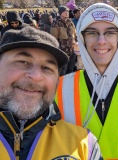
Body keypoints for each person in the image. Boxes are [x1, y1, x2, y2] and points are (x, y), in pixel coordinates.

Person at [54, 3, 118, 159]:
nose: (101, 41)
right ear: (82, 38)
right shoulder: (60, 88)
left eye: (110, 32)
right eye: (92, 32)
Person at [0, 27, 102, 159]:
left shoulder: (84, 145)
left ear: (57, 82)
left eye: (47, 68)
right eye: (23, 62)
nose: (36, 76)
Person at [50, 6, 77, 76]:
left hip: (72, 50)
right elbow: (54, 38)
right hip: (63, 51)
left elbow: (75, 34)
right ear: (60, 13)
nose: (67, 13)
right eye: (65, 12)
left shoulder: (70, 22)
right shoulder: (56, 23)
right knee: (63, 71)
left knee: (71, 69)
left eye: (67, 11)